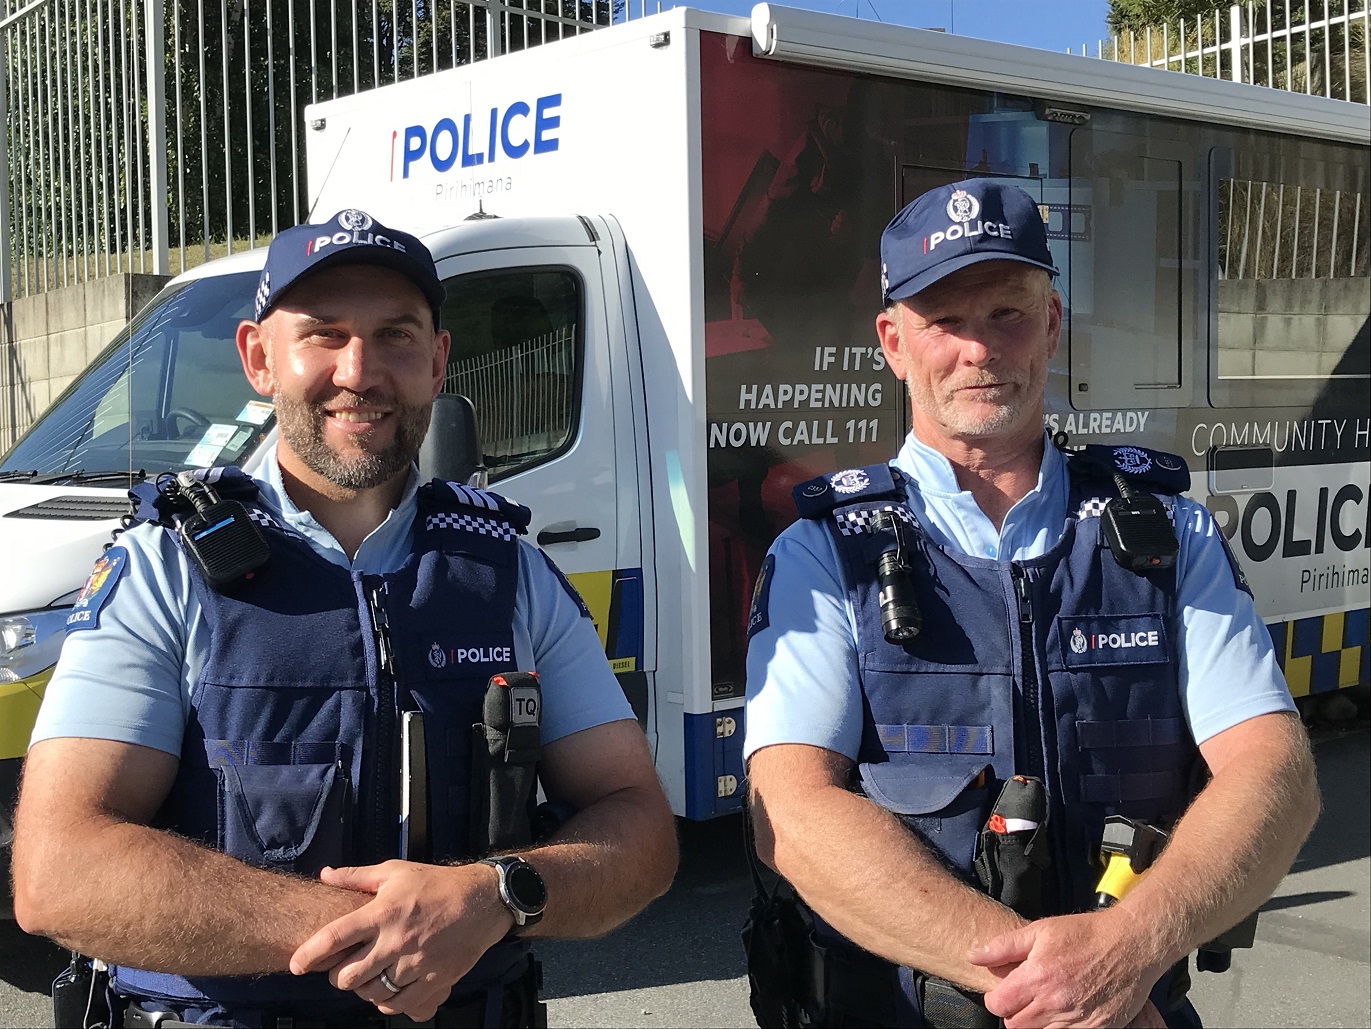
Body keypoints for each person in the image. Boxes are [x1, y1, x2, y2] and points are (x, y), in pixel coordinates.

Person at [12, 209, 677, 1028]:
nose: (359, 370)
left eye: (395, 335)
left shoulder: (510, 572)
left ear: (437, 363)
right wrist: (381, 933)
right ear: (260, 358)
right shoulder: (164, 570)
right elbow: (58, 870)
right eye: (323, 334)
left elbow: (640, 827)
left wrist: (495, 894)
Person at [742, 179, 1319, 1029]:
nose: (979, 349)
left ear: (1051, 324)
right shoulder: (824, 552)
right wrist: (1057, 993)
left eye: (1007, 313)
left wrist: (1126, 948)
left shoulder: (1166, 533)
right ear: (893, 342)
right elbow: (790, 815)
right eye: (945, 320)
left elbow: (1277, 772)